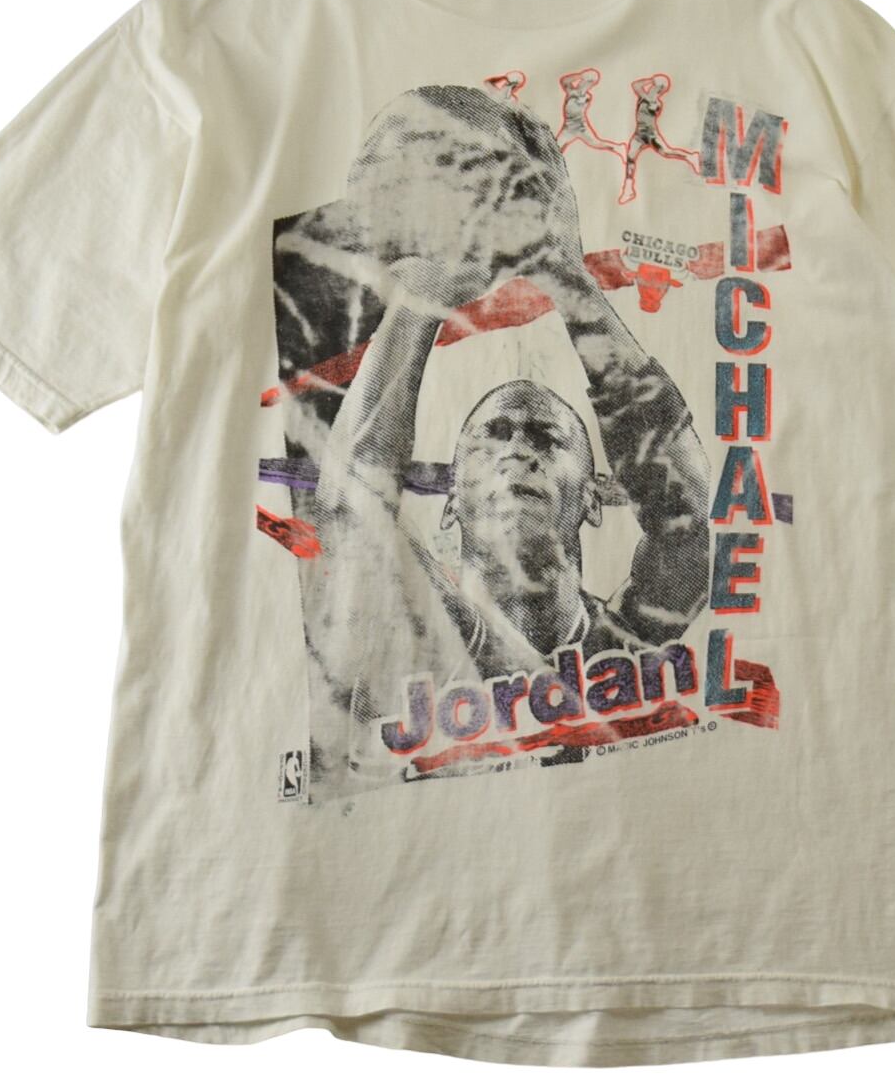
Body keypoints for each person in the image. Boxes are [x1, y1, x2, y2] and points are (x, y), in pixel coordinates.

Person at [281, 84, 711, 798]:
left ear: (594, 498)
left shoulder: (626, 650)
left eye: (546, 436)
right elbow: (354, 505)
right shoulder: (409, 620)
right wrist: (422, 294)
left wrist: (569, 282)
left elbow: (687, 519)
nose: (518, 449)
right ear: (449, 502)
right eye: (494, 435)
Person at [618, 72, 702, 204]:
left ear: (660, 90)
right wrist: (651, 80)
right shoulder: (644, 97)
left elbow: (638, 88)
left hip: (650, 134)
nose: (653, 88)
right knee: (630, 157)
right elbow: (636, 85)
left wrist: (655, 82)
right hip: (639, 134)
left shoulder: (654, 102)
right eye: (654, 86)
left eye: (657, 87)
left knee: (666, 152)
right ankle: (628, 189)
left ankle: (690, 157)